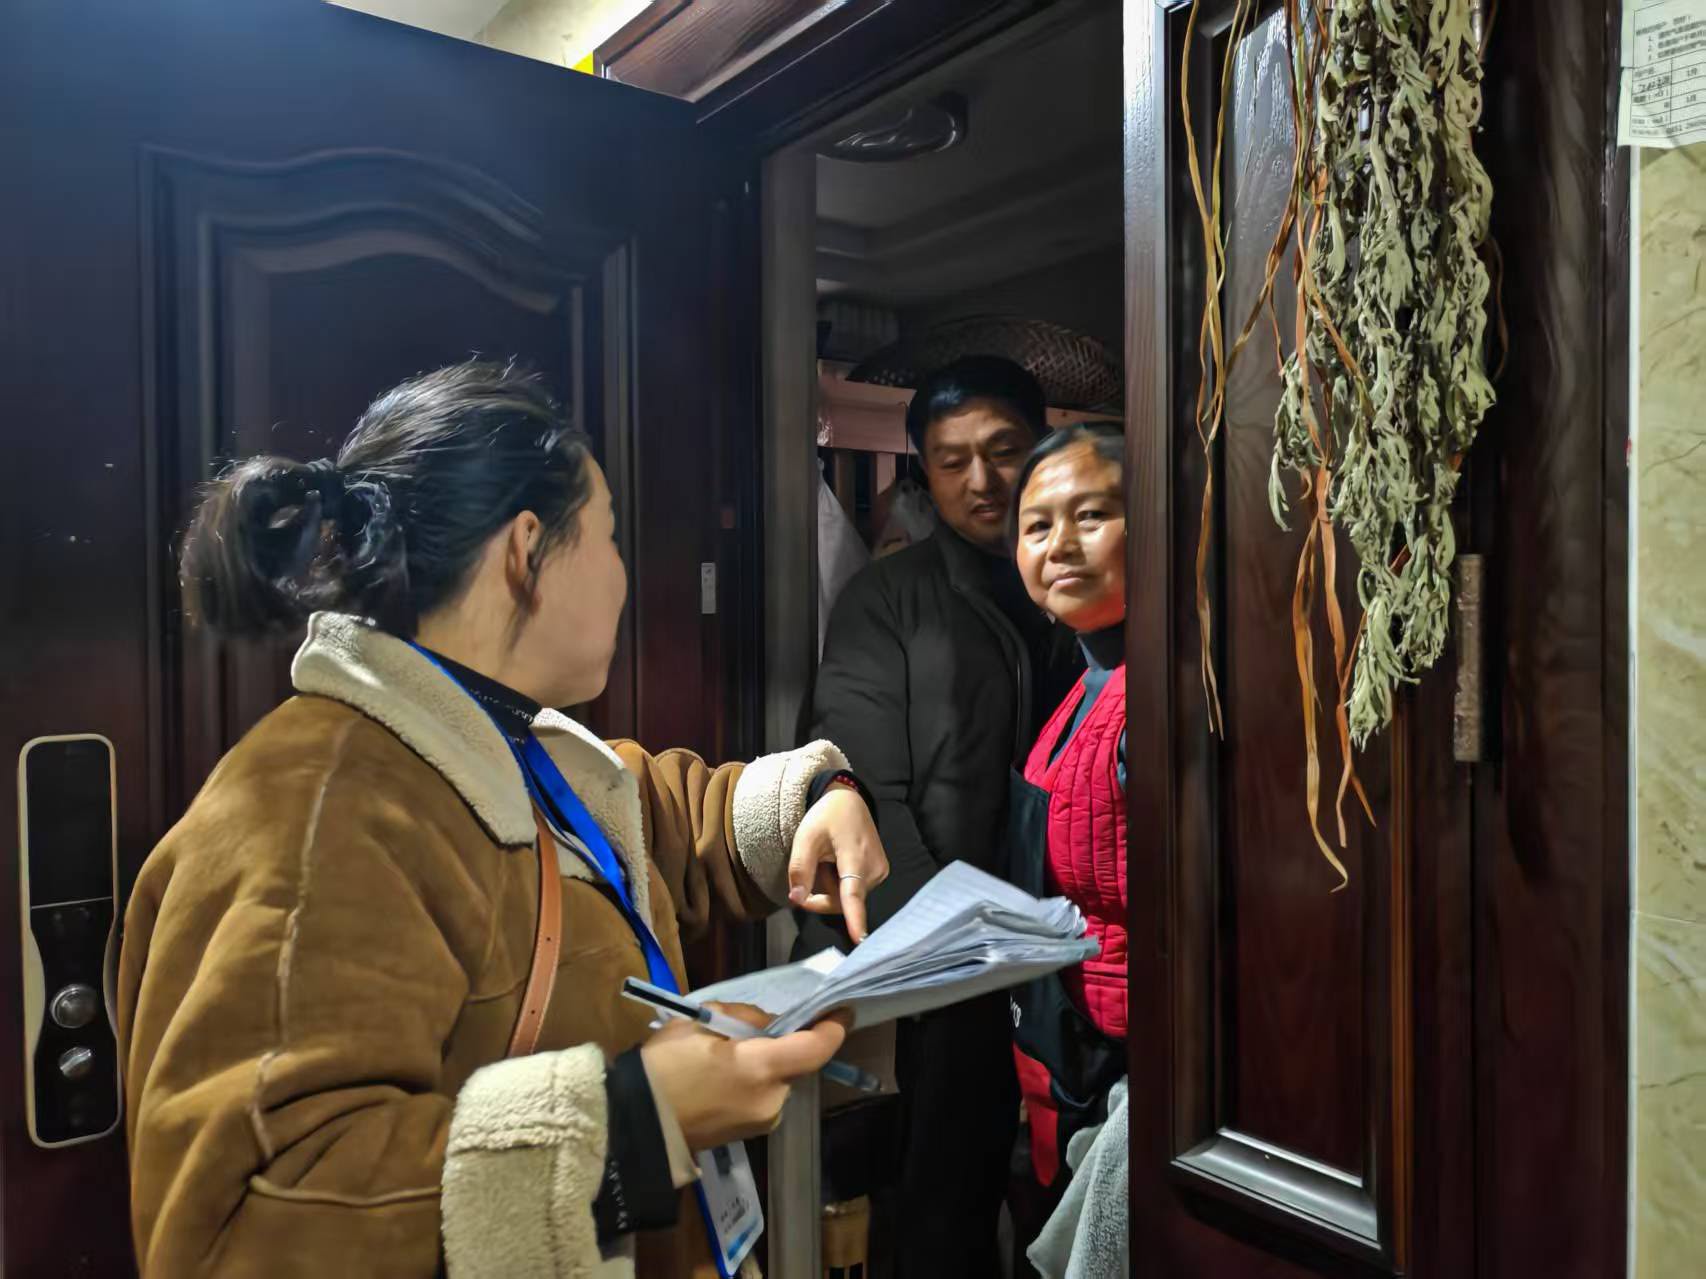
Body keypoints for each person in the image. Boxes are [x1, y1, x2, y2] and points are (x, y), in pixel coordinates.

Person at [117, 361, 890, 1279]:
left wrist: (815, 797)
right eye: (608, 535)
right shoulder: (313, 817)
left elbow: (651, 816)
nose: (622, 574)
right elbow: (251, 1230)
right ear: (527, 549)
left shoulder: (495, 743)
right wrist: (634, 1124)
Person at [804, 355, 1082, 1277]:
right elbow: (860, 785)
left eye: (1004, 450)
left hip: (1084, 955)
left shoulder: (1082, 584)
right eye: (953, 459)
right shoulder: (889, 599)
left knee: (1076, 1198)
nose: (982, 480)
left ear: (1040, 446)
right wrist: (956, 952)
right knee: (944, 1206)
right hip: (958, 959)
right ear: (924, 468)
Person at [1006, 422, 1129, 1275]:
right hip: (1071, 1053)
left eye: (1091, 515)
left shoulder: (1163, 686)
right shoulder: (1083, 682)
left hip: (1136, 1070)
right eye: (1037, 525)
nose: (1060, 544)